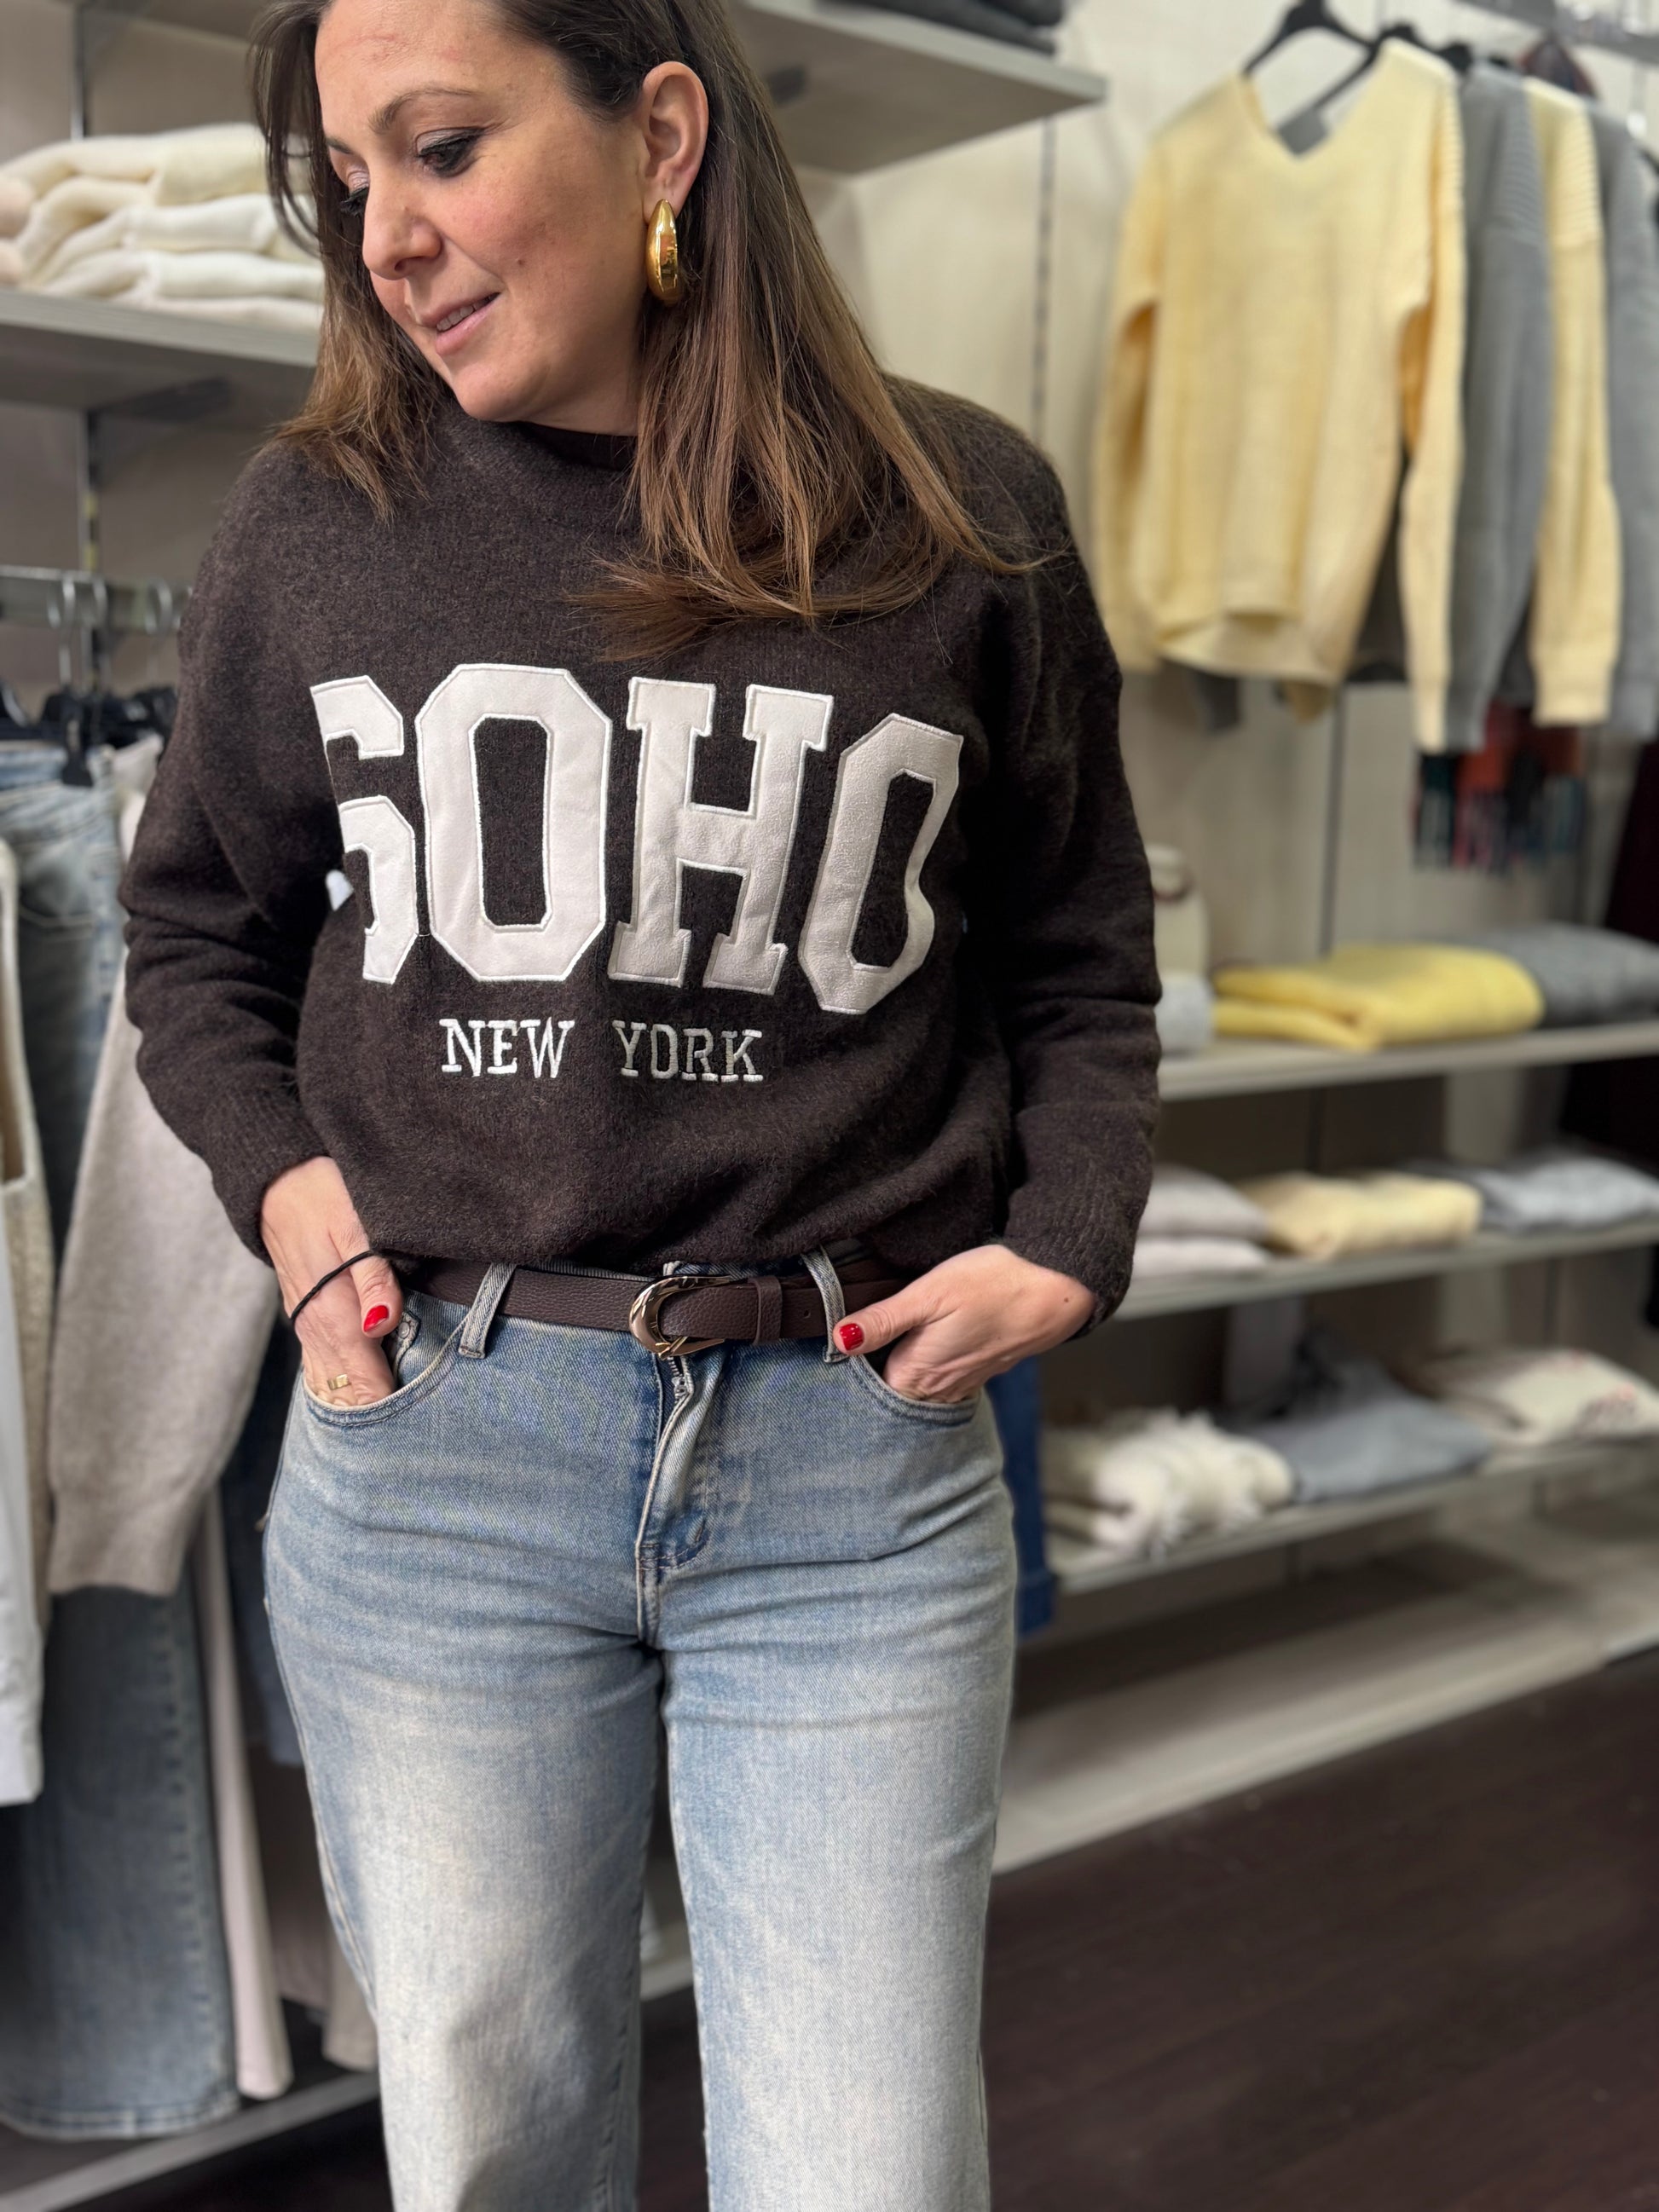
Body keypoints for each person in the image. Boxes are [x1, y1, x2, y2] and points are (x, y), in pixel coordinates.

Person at [120, 0, 1159, 2200]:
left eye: (442, 147)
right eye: (351, 179)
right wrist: (291, 1202)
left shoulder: (961, 519)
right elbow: (195, 933)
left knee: (870, 2170)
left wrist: (1070, 1236)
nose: (384, 238)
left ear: (661, 130)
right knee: (495, 2161)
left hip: (852, 1468)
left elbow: (1076, 951)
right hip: (438, 1453)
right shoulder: (320, 523)